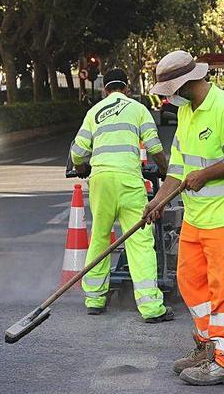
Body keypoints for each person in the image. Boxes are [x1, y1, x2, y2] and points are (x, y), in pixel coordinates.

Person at [144, 50, 224, 386]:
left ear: (189, 82)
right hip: (195, 218)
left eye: (172, 88)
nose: (170, 95)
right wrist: (159, 201)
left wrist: (205, 175)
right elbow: (177, 169)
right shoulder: (187, 112)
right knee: (190, 283)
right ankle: (207, 347)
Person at [70, 68, 174, 323]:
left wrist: (83, 168)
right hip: (129, 180)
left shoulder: (94, 112)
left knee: (100, 237)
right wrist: (164, 169)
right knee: (139, 241)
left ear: (105, 89)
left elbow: (77, 152)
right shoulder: (138, 109)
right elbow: (155, 147)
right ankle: (151, 308)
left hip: (101, 181)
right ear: (127, 88)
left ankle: (94, 299)